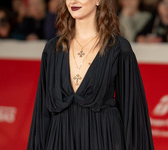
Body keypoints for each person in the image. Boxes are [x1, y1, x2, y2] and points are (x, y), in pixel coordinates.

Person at [27, 0, 154, 149]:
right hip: (60, 140)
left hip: (103, 139)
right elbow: (42, 112)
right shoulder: (52, 49)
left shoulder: (118, 48)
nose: (74, 1)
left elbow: (132, 113)